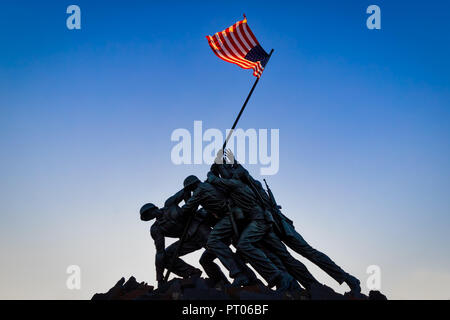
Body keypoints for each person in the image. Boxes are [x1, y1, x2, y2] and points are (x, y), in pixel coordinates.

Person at [223, 149, 362, 294]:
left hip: (280, 223)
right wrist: (221, 165)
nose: (232, 175)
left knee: (309, 252)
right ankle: (312, 286)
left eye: (233, 171)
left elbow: (238, 174)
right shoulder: (241, 190)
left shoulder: (252, 183)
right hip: (270, 227)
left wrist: (231, 162)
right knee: (287, 260)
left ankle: (348, 278)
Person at [140, 180, 228, 288]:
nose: (149, 215)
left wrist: (189, 205)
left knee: (218, 249)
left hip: (199, 228)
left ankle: (240, 275)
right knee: (167, 256)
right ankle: (191, 273)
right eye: (146, 216)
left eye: (149, 212)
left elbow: (186, 190)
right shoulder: (156, 229)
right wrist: (159, 277)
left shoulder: (169, 204)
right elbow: (160, 253)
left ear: (154, 208)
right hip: (188, 239)